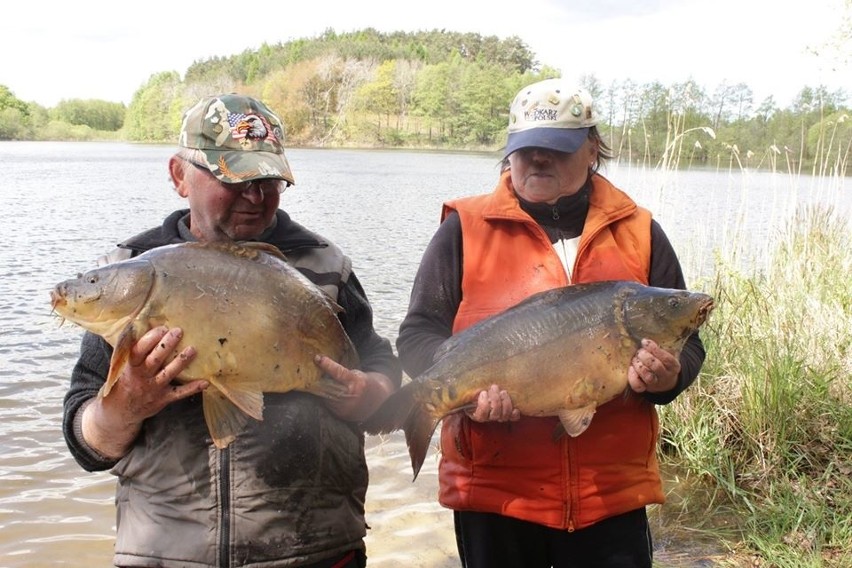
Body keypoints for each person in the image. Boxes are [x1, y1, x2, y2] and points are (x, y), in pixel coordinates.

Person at [62, 93, 401, 568]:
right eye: (234, 178)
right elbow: (85, 443)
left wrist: (369, 394)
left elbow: (383, 376)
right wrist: (123, 408)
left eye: (268, 179)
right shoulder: (129, 275)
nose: (256, 196)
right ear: (180, 176)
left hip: (314, 550)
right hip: (165, 553)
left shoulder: (324, 268)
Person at [396, 78, 706, 568]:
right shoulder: (463, 230)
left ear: (591, 149)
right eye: (526, 148)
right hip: (496, 498)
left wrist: (668, 378)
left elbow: (689, 345)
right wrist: (462, 395)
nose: (538, 159)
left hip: (611, 499)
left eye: (555, 148)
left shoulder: (641, 232)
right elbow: (416, 337)